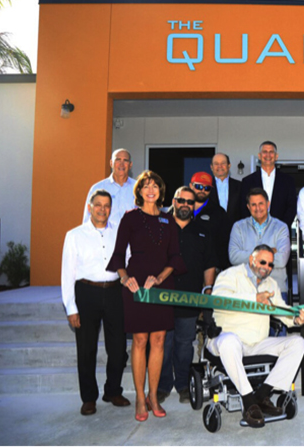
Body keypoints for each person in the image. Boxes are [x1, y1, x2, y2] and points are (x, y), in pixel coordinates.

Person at [107, 170, 187, 422]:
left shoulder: (168, 220)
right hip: (137, 287)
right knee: (140, 341)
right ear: (139, 191)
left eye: (155, 186)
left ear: (161, 191)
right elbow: (119, 255)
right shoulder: (130, 218)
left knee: (160, 340)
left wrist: (160, 279)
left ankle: (154, 396)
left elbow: (175, 257)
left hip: (162, 285)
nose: (150, 190)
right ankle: (140, 398)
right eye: (145, 186)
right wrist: (124, 278)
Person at [206, 245, 304, 428]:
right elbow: (218, 301)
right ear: (252, 260)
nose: (267, 267)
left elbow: (283, 313)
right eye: (263, 262)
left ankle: (262, 396)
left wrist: (297, 318)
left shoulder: (271, 284)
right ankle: (248, 401)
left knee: (298, 343)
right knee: (230, 342)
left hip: (256, 342)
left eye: (270, 264)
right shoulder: (229, 275)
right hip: (226, 338)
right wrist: (254, 298)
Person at [61, 189, 130, 416]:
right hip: (86, 293)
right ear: (90, 207)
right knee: (87, 348)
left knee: (118, 348)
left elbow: (127, 262)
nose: (102, 209)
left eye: (107, 205)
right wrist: (71, 307)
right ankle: (89, 398)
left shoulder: (119, 233)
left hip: (114, 293)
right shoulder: (74, 235)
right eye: (98, 205)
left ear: (111, 209)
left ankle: (112, 390)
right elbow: (67, 274)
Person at [159, 187, 217, 404]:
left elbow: (210, 263)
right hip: (162, 299)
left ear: (194, 205)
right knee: (163, 344)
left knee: (184, 344)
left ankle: (183, 385)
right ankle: (162, 386)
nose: (185, 205)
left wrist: (208, 290)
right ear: (174, 201)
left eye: (190, 202)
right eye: (181, 200)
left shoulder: (203, 231)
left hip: (190, 298)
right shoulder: (160, 227)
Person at [241, 141, 297, 229]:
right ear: (259, 156)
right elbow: (244, 207)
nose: (268, 155)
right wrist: (254, 227)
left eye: (271, 152)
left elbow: (292, 207)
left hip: (280, 232)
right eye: (265, 152)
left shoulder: (288, 181)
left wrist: (281, 227)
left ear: (276, 156)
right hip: (254, 231)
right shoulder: (247, 181)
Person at [189, 171, 233, 270]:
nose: (202, 190)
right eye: (199, 187)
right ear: (191, 186)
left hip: (210, 268)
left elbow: (224, 243)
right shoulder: (182, 208)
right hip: (185, 267)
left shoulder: (219, 213)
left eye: (207, 188)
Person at [83, 148, 136, 226]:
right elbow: (87, 219)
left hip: (132, 237)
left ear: (130, 165)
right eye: (118, 160)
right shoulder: (98, 188)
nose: (121, 164)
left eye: (125, 160)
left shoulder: (138, 188)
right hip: (105, 236)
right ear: (111, 163)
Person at [209, 153, 243, 223]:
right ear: (211, 167)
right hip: (211, 231)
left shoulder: (240, 186)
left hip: (235, 230)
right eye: (216, 164)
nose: (220, 166)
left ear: (229, 166)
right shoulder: (205, 187)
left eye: (223, 163)